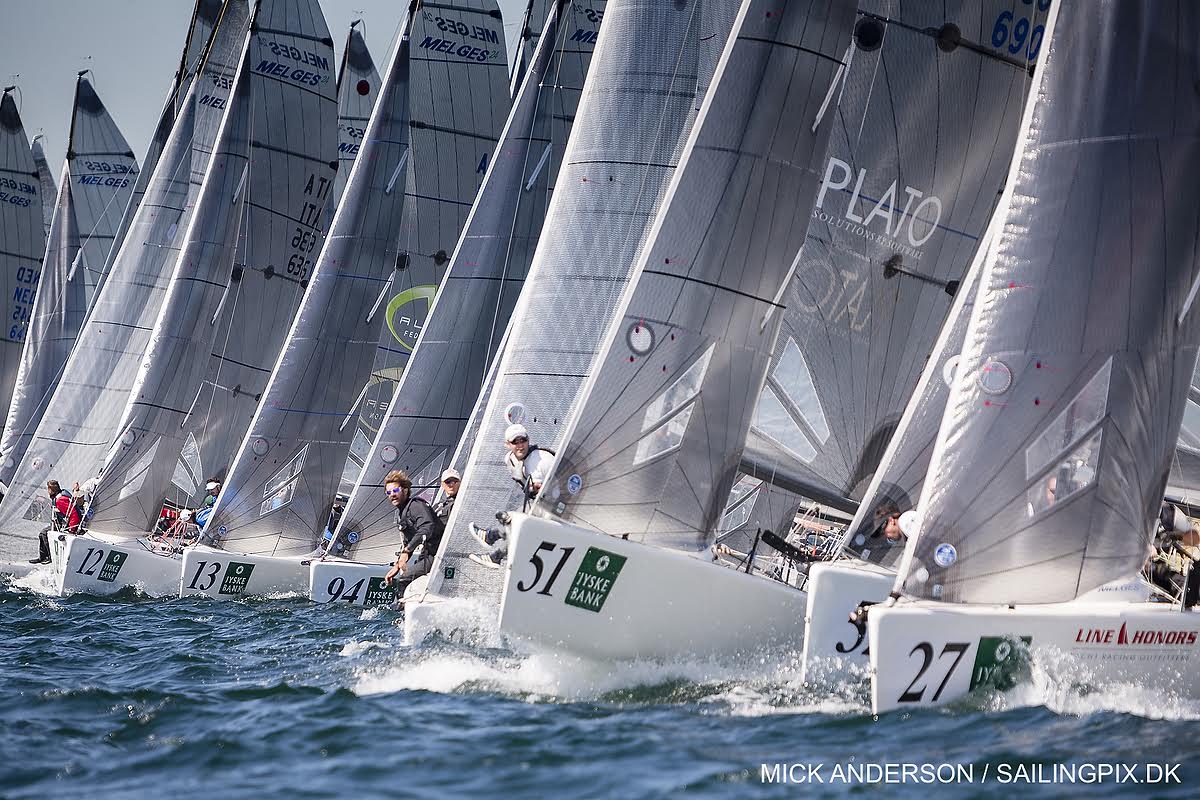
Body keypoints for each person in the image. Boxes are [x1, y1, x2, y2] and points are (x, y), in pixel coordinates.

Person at [468, 423, 555, 568]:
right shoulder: (510, 460)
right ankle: (495, 552)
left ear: (529, 440)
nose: (520, 445)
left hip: (558, 503)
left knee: (518, 522)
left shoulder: (542, 459)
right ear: (507, 444)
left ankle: (492, 539)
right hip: (539, 502)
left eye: (523, 440)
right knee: (515, 523)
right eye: (515, 442)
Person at [381, 469, 445, 593]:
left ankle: (400, 611)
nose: (392, 494)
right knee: (408, 580)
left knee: (404, 580)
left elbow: (427, 526)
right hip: (427, 554)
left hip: (439, 554)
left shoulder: (415, 505)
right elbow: (408, 542)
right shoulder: (402, 513)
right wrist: (397, 565)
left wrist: (407, 551)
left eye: (395, 490)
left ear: (405, 490)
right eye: (388, 492)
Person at [31, 480, 82, 564]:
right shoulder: (59, 495)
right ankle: (43, 557)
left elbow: (74, 515)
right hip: (59, 523)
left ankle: (51, 557)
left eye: (48, 489)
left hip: (66, 526)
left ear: (52, 490)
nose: (48, 491)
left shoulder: (60, 500)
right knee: (42, 534)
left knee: (44, 533)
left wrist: (72, 530)